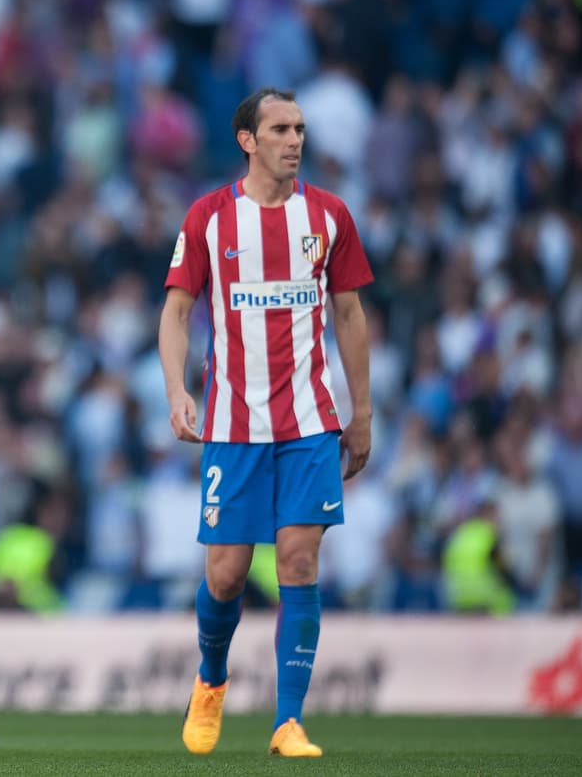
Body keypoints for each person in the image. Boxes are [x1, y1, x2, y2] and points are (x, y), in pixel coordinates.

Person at [158, 87, 373, 758]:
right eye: (280, 129)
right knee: (225, 576)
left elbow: (349, 316)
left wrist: (360, 411)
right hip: (233, 423)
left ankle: (287, 721)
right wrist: (177, 391)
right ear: (247, 140)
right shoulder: (210, 218)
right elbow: (174, 312)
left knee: (299, 562)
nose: (295, 140)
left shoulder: (329, 216)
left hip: (309, 421)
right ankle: (212, 680)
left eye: (300, 128)